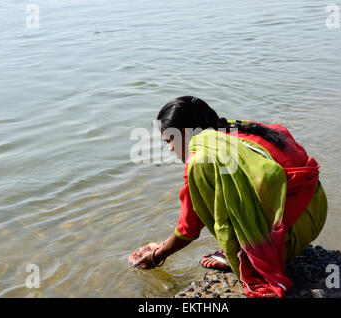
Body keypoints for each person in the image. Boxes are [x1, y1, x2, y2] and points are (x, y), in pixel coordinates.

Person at [129, 96, 328, 298]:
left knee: (209, 187)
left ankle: (242, 253)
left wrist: (157, 255)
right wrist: (163, 244)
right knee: (230, 187)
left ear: (182, 134)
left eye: (169, 141)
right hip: (316, 211)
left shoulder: (203, 158)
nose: (170, 149)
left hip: (288, 237)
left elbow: (189, 227)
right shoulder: (241, 129)